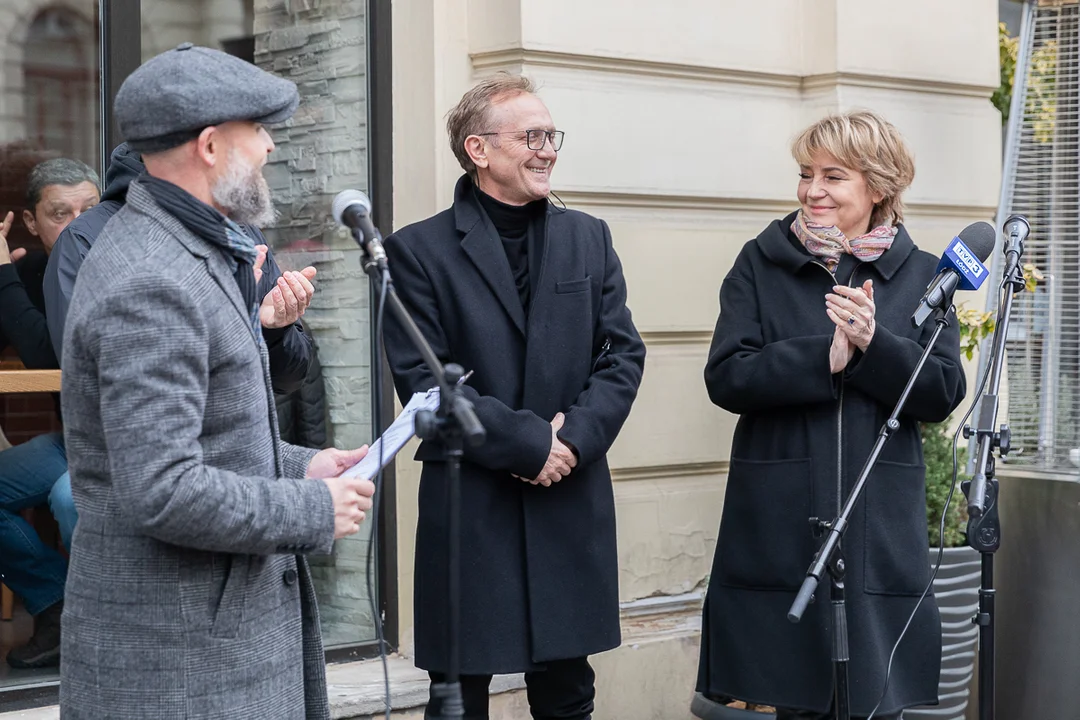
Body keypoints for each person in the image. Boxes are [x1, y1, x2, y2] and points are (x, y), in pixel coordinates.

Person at [59, 43, 375, 719]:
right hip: (181, 665)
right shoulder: (153, 278)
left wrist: (303, 465)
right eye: (257, 131)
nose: (267, 148)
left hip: (212, 650)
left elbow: (210, 434)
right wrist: (313, 508)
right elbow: (164, 489)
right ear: (209, 145)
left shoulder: (190, 250)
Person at [382, 73, 646, 720]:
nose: (548, 149)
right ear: (479, 150)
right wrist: (532, 444)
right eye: (531, 136)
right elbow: (428, 385)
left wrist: (574, 441)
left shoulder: (589, 237)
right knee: (459, 698)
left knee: (567, 696)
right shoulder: (417, 251)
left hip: (568, 499)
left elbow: (623, 355)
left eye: (550, 135)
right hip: (474, 507)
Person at [695, 110, 967, 720]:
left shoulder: (924, 276)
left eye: (833, 177)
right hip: (782, 514)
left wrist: (875, 347)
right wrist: (825, 356)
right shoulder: (759, 263)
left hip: (877, 521)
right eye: (805, 174)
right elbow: (727, 375)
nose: (812, 190)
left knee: (875, 700)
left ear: (878, 186)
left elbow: (944, 390)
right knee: (795, 695)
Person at [42, 139, 319, 557]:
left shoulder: (241, 232)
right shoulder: (88, 240)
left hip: (242, 464)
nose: (266, 145)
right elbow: (97, 376)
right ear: (202, 148)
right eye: (247, 131)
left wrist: (274, 330)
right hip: (135, 466)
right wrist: (236, 320)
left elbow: (291, 375)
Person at [0, 157, 100, 669]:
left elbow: (47, 353)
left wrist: (2, 277)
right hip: (71, 442)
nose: (80, 224)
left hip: (114, 446)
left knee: (69, 496)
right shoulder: (33, 269)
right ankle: (56, 602)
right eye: (62, 213)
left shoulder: (115, 266)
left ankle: (101, 626)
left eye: (90, 209)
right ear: (33, 222)